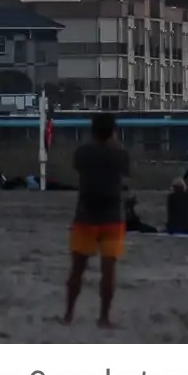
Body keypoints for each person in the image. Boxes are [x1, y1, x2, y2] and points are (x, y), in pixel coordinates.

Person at [63, 113, 130, 328]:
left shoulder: (82, 153)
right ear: (112, 131)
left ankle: (69, 313)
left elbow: (78, 167)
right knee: (108, 270)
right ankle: (103, 317)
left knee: (77, 269)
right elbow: (126, 172)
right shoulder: (119, 154)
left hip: (85, 214)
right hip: (112, 216)